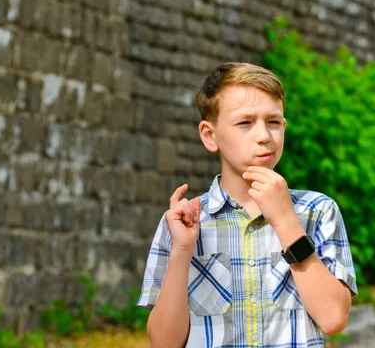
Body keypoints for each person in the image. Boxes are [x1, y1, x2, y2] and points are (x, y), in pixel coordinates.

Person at [137, 63, 358, 348]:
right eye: (245, 123)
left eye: (273, 122)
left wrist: (286, 221)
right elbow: (164, 343)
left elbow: (333, 319)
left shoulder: (317, 211)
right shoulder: (185, 221)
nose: (264, 135)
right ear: (209, 135)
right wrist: (182, 251)